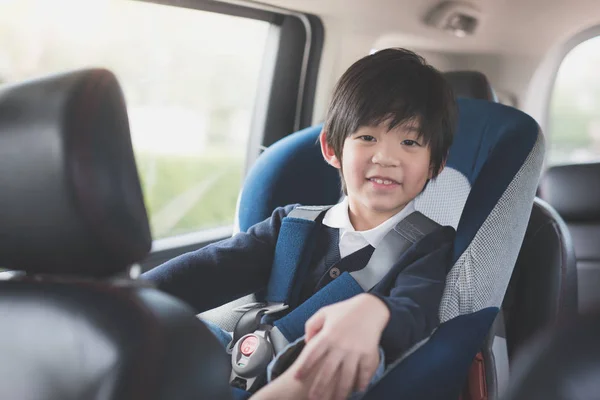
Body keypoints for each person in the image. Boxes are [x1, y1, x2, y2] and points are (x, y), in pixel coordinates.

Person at [142, 47, 457, 400]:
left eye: (410, 142)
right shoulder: (292, 224)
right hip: (244, 363)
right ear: (332, 149)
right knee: (159, 327)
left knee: (350, 361)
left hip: (321, 377)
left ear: (436, 164)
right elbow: (210, 268)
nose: (385, 157)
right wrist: (132, 295)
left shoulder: (429, 244)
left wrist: (374, 311)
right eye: (367, 137)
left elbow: (415, 311)